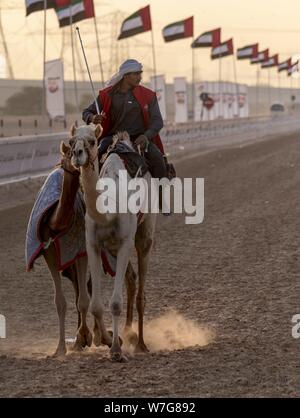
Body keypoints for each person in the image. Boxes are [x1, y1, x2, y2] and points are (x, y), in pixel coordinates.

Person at [82, 59, 168, 180]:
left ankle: (160, 197)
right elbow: (86, 112)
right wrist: (92, 118)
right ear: (126, 76)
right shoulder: (107, 95)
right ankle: (89, 193)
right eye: (136, 74)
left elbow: (158, 121)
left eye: (140, 73)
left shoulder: (148, 95)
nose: (140, 77)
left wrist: (146, 136)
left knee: (158, 160)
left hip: (140, 139)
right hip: (112, 139)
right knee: (93, 160)